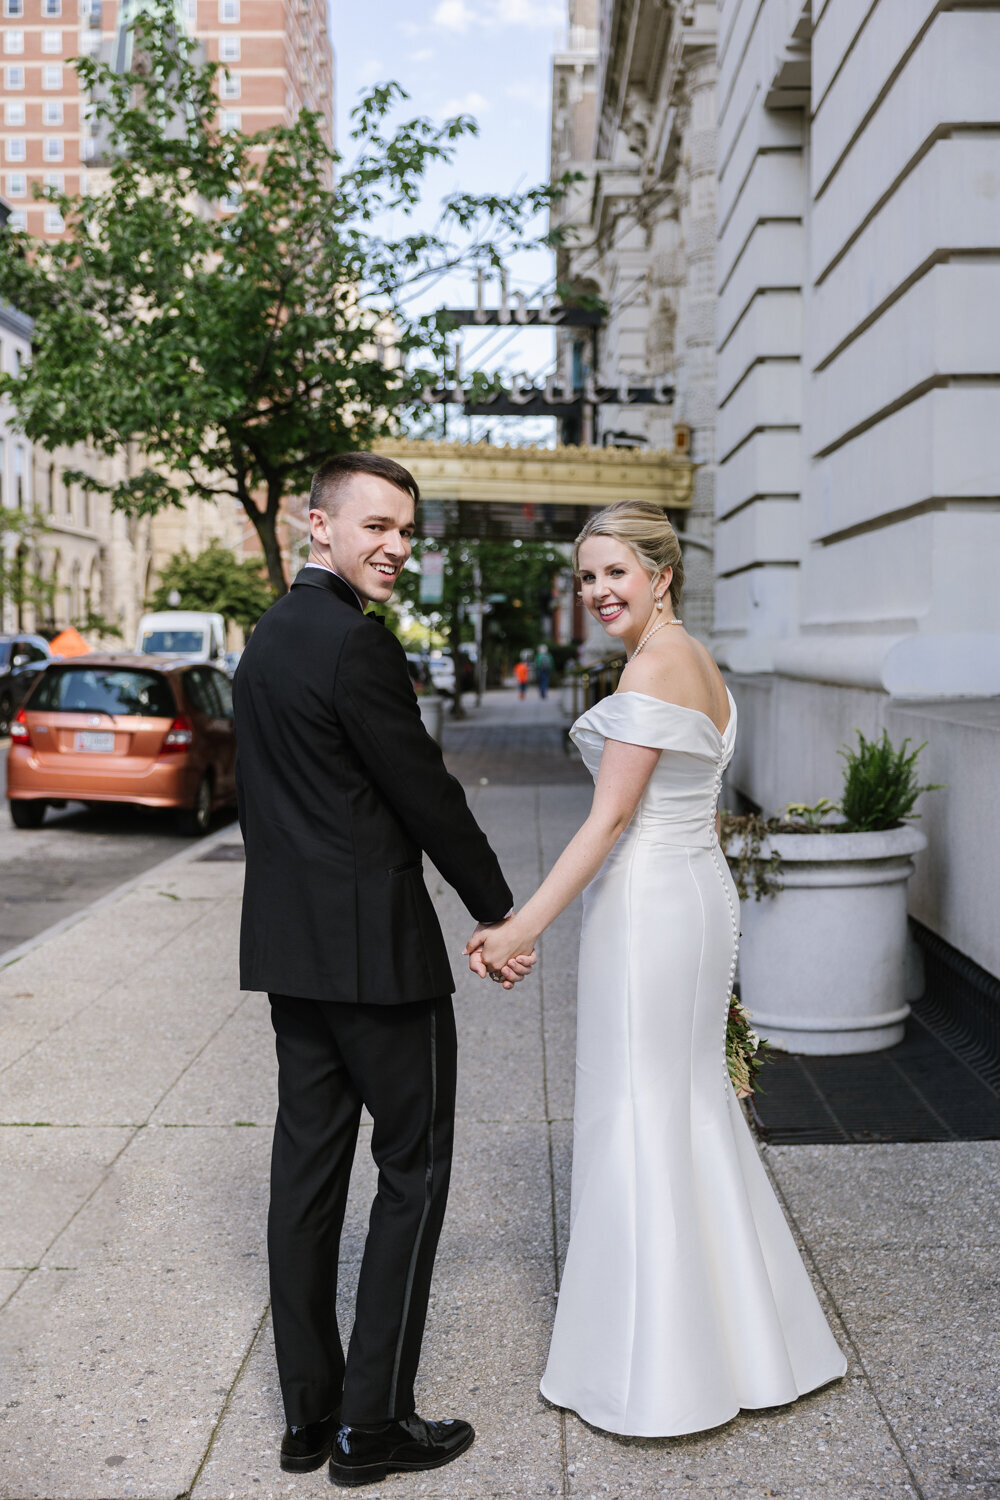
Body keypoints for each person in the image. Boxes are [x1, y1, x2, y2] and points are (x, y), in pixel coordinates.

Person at [466, 500, 847, 1437]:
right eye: (586, 577)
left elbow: (606, 823)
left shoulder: (655, 662)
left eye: (614, 574)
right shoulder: (700, 660)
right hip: (698, 894)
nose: (597, 591)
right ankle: (750, 1344)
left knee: (640, 1105)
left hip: (649, 909)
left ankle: (655, 1366)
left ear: (660, 574)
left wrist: (521, 928)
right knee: (684, 1103)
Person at [233, 452, 534, 1487]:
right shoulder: (355, 647)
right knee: (411, 1172)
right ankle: (373, 1428)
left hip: (291, 956)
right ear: (318, 527)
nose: (396, 546)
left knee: (305, 1177)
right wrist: (502, 909)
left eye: (406, 529)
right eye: (376, 526)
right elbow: (425, 795)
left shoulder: (266, 640)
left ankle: (306, 1419)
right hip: (380, 964)